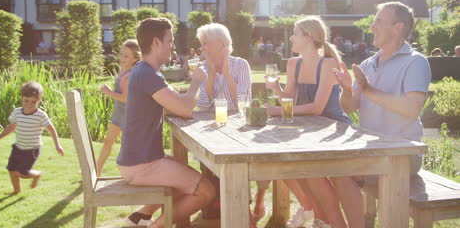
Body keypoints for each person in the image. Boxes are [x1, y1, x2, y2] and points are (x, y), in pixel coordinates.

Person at [334, 1, 431, 221]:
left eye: (378, 21)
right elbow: (349, 107)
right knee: (327, 169)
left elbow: (412, 109)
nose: (371, 27)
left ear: (398, 28)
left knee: (342, 174)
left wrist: (368, 90)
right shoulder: (368, 63)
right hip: (373, 153)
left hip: (403, 155)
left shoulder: (415, 62)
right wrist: (347, 89)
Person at [266, 16, 364, 228]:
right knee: (295, 167)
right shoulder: (293, 64)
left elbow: (317, 108)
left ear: (309, 37)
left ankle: (330, 222)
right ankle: (323, 220)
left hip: (334, 130)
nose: (291, 38)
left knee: (312, 171)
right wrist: (276, 90)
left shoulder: (328, 64)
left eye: (295, 33)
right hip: (311, 132)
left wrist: (275, 110)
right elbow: (289, 101)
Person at [118, 18, 214, 228]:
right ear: (156, 42)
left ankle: (140, 218)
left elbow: (173, 105)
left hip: (139, 160)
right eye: (169, 40)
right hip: (142, 165)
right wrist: (196, 81)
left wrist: (181, 99)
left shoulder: (144, 72)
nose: (172, 46)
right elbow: (185, 109)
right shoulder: (147, 74)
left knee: (185, 173)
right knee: (206, 191)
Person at [194, 23, 267, 226]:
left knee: (240, 165)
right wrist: (209, 74)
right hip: (211, 132)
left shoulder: (240, 65)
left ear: (220, 44)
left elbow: (242, 102)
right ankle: (240, 214)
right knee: (217, 170)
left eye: (205, 44)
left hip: (238, 131)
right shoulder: (202, 68)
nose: (202, 48)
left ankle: (250, 211)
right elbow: (201, 105)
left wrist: (226, 73)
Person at [0, 81, 64, 195]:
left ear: (39, 101)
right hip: (18, 147)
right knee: (11, 169)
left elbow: (51, 129)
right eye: (26, 100)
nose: (29, 104)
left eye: (33, 102)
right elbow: (10, 128)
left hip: (32, 149)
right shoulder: (17, 112)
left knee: (23, 172)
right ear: (22, 98)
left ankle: (36, 175)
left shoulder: (40, 115)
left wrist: (57, 145)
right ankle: (16, 190)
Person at [96, 40, 141, 176]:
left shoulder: (129, 76)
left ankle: (136, 173)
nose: (122, 58)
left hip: (128, 115)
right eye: (121, 54)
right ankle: (97, 170)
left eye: (126, 56)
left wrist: (109, 93)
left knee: (130, 147)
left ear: (135, 58)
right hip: (119, 114)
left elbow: (126, 98)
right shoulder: (123, 71)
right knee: (108, 141)